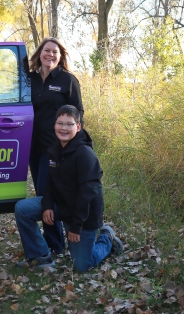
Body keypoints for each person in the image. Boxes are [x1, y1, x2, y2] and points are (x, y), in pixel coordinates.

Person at [15, 105, 123, 271]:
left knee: (82, 266)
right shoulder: (55, 150)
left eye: (69, 124)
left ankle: (107, 238)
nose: (63, 128)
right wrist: (48, 205)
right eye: (60, 123)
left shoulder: (85, 154)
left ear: (78, 126)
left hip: (84, 216)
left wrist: (76, 226)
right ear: (55, 125)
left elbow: (88, 194)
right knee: (23, 209)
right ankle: (40, 256)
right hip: (62, 206)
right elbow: (50, 182)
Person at [28, 37, 84, 255]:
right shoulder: (29, 79)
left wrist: (73, 146)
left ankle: (55, 244)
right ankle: (55, 240)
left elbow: (78, 114)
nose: (50, 55)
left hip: (54, 147)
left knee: (45, 193)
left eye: (55, 52)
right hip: (32, 146)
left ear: (60, 57)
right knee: (43, 191)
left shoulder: (67, 80)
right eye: (46, 50)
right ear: (39, 53)